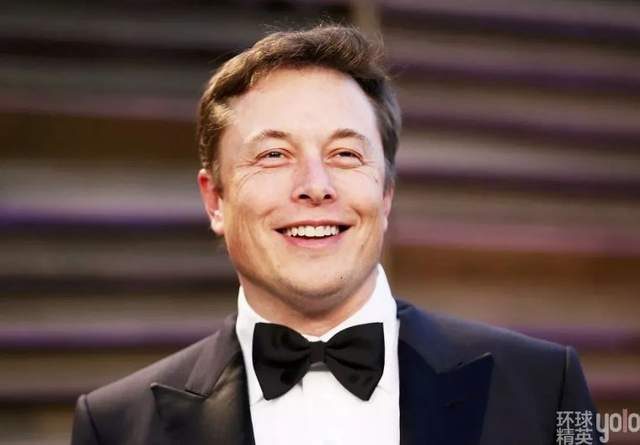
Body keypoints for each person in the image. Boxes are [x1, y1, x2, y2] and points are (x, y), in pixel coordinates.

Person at [71, 25, 599, 445]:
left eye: (345, 154)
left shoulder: (543, 387)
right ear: (215, 200)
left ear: (385, 194)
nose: (315, 186)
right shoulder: (116, 425)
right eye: (274, 155)